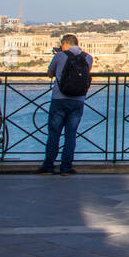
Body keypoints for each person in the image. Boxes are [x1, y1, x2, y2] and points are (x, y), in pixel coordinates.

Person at [36, 34, 92, 176]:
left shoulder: (60, 56)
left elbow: (50, 73)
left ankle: (48, 165)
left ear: (65, 44)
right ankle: (66, 167)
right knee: (71, 134)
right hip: (78, 100)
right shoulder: (88, 58)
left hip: (59, 99)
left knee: (54, 132)